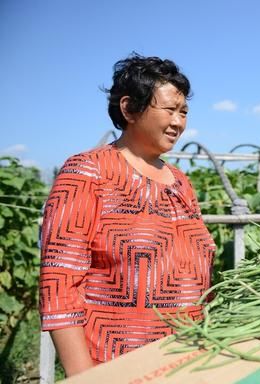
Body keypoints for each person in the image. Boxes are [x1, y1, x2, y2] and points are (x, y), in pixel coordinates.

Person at [38, 54, 216, 376]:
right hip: (115, 366)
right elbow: (59, 284)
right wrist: (85, 377)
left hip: (186, 361)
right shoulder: (88, 172)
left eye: (184, 112)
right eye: (170, 110)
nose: (179, 122)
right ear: (129, 109)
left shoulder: (181, 183)